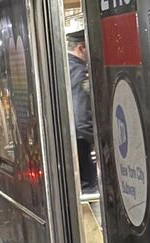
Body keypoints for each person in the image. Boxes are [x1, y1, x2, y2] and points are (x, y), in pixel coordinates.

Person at [67, 30, 98, 193]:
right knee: (90, 190)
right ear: (81, 48)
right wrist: (97, 141)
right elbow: (81, 116)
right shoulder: (79, 71)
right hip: (82, 144)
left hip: (70, 143)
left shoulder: (65, 67)